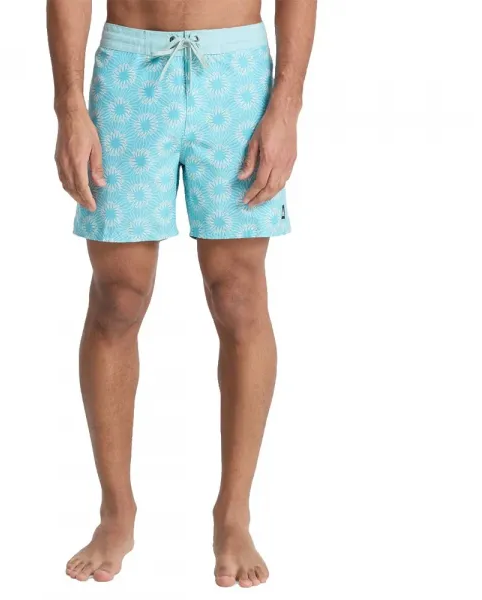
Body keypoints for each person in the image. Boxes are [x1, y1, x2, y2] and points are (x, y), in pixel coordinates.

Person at [47, 0, 316, 587]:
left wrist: (286, 105)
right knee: (118, 296)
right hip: (129, 69)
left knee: (239, 295)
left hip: (236, 76)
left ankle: (234, 515)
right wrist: (69, 107)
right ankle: (116, 512)